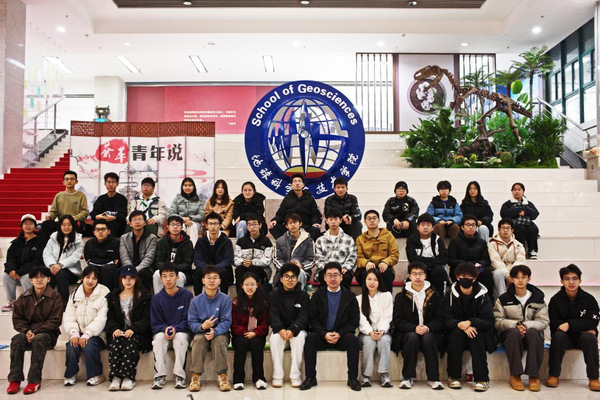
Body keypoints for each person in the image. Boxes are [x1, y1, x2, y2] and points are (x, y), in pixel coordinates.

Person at [300, 262, 361, 392]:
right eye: (329, 275)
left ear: (341, 277)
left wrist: (340, 333)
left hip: (341, 336)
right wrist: (324, 334)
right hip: (322, 335)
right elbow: (313, 319)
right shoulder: (317, 295)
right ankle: (310, 377)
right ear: (324, 277)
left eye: (336, 275)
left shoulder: (350, 296)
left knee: (353, 341)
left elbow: (354, 320)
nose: (333, 278)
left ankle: (352, 378)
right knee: (310, 339)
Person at [6, 266, 63, 395]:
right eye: (35, 277)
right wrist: (27, 331)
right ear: (31, 280)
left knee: (39, 339)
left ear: (48, 279)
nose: (39, 280)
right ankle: (14, 380)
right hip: (28, 333)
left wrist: (35, 332)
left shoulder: (56, 297)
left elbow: (55, 320)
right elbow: (17, 319)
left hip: (48, 335)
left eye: (42, 277)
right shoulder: (24, 297)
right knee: (17, 339)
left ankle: (34, 381)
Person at [494, 264, 549, 392]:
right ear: (511, 279)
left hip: (531, 332)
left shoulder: (538, 298)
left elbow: (543, 321)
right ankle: (515, 375)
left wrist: (525, 326)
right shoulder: (503, 299)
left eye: (523, 277)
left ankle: (534, 376)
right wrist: (516, 325)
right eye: (516, 277)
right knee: (514, 333)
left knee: (533, 333)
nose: (520, 280)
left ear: (529, 279)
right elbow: (497, 320)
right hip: (510, 333)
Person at [546, 264, 600, 391]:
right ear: (561, 281)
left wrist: (569, 324)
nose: (571, 282)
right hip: (564, 337)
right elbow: (554, 324)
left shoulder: (589, 299)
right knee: (558, 336)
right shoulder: (555, 300)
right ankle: (553, 375)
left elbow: (592, 322)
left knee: (589, 337)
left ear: (580, 280)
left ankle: (594, 378)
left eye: (575, 278)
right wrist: (580, 325)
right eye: (567, 279)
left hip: (582, 337)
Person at [443, 262, 495, 392]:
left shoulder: (484, 296)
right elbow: (444, 319)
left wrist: (470, 322)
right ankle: (453, 377)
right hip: (456, 329)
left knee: (476, 336)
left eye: (469, 276)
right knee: (456, 335)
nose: (465, 278)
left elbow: (489, 320)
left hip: (479, 331)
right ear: (457, 277)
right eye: (462, 276)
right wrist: (459, 324)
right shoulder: (449, 295)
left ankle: (482, 379)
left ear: (475, 278)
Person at [392, 261, 444, 390]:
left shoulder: (434, 295)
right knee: (412, 337)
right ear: (409, 276)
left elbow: (439, 319)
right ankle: (407, 377)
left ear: (425, 276)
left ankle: (433, 378)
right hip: (408, 332)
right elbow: (398, 320)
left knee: (429, 338)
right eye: (414, 274)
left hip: (429, 331)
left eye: (420, 274)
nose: (417, 277)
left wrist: (427, 328)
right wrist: (413, 328)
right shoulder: (401, 296)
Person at [105, 265, 152, 391]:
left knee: (130, 341)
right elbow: (110, 318)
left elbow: (146, 319)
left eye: (131, 278)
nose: (128, 281)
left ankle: (128, 377)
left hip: (138, 333)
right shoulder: (113, 297)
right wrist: (114, 329)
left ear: (136, 279)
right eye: (125, 278)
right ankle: (115, 377)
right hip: (120, 331)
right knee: (116, 341)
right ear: (121, 279)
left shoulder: (144, 296)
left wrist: (133, 329)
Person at [63, 265, 110, 387]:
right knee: (72, 345)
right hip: (78, 332)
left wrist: (88, 334)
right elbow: (69, 316)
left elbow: (101, 319)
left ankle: (96, 374)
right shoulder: (74, 294)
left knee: (89, 345)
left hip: (97, 334)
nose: (90, 281)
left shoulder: (104, 295)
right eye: (87, 277)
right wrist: (74, 333)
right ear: (82, 278)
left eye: (94, 278)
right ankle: (70, 374)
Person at [188, 266, 232, 392]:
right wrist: (203, 327)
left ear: (220, 281)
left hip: (220, 332)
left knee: (219, 341)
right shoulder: (195, 301)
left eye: (215, 278)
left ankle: (222, 375)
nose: (211, 281)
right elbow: (191, 323)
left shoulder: (225, 299)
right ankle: (195, 376)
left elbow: (226, 321)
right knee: (198, 341)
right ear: (203, 280)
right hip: (201, 331)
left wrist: (215, 331)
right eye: (208, 278)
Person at [150, 263, 193, 390]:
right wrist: (165, 329)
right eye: (164, 276)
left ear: (177, 277)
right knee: (158, 340)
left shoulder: (187, 296)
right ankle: (159, 376)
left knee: (180, 339)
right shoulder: (156, 298)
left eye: (171, 275)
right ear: (161, 279)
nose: (168, 279)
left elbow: (189, 319)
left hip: (182, 330)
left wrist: (176, 328)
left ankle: (180, 376)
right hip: (163, 330)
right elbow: (155, 323)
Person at [268, 263, 309, 388]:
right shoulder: (273, 295)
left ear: (297, 279)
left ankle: (295, 376)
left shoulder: (303, 296)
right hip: (280, 330)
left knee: (299, 338)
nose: (290, 280)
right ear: (281, 279)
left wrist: (293, 330)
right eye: (287, 276)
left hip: (298, 330)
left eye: (293, 277)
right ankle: (277, 376)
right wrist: (280, 329)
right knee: (275, 339)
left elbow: (304, 317)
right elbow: (273, 316)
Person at [231, 273, 269, 390]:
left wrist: (255, 332)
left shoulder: (264, 302)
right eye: (246, 284)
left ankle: (259, 379)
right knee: (241, 344)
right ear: (242, 286)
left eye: (252, 284)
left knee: (256, 344)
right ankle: (238, 379)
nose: (250, 287)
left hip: (257, 334)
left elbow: (265, 323)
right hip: (240, 335)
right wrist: (244, 333)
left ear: (257, 285)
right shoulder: (236, 303)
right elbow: (233, 324)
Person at [356, 269, 393, 388]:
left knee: (384, 340)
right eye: (369, 279)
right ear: (365, 281)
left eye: (375, 279)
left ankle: (384, 374)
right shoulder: (359, 299)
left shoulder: (386, 296)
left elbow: (387, 316)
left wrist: (381, 331)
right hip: (366, 333)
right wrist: (370, 332)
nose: (372, 282)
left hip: (383, 332)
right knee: (369, 342)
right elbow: (361, 320)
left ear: (379, 281)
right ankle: (365, 375)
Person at [2, 214, 47, 312]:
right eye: (25, 224)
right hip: (17, 273)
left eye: (31, 224)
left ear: (35, 226)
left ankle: (31, 302)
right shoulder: (16, 242)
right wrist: (11, 270)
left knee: (27, 277)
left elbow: (37, 261)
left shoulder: (41, 241)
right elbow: (10, 259)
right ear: (22, 226)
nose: (28, 226)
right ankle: (11, 301)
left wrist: (20, 272)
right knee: (5, 276)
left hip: (32, 272)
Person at [448, 215, 493, 299]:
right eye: (468, 225)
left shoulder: (482, 242)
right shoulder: (454, 241)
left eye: (473, 225)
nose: (471, 227)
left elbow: (486, 260)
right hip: (460, 267)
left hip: (476, 267)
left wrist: (479, 264)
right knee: (459, 273)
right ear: (462, 227)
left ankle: (488, 299)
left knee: (486, 272)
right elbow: (451, 260)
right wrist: (467, 265)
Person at [43, 214, 83, 305]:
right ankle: (45, 303)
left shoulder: (78, 240)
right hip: (53, 268)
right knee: (45, 274)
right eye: (63, 225)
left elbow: (75, 257)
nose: (66, 227)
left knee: (60, 274)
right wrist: (52, 265)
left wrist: (60, 265)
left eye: (69, 225)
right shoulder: (53, 238)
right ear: (60, 226)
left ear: (73, 226)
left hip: (71, 271)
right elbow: (47, 253)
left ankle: (63, 303)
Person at [406, 213, 450, 295]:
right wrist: (432, 261)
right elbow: (412, 259)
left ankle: (440, 298)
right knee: (416, 273)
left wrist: (425, 262)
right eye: (422, 225)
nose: (425, 227)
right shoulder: (411, 240)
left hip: (435, 270)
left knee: (440, 271)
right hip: (418, 270)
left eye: (428, 225)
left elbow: (443, 258)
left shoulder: (438, 239)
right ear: (418, 227)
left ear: (433, 227)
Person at [355, 210, 399, 293]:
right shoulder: (360, 239)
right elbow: (358, 258)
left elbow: (394, 255)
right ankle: (367, 300)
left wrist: (386, 262)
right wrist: (366, 263)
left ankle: (387, 299)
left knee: (386, 274)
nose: (372, 220)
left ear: (378, 220)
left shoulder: (388, 236)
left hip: (384, 266)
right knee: (365, 275)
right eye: (369, 218)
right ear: (365, 222)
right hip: (366, 267)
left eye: (374, 218)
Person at [269, 173, 322, 241]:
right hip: (290, 226)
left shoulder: (309, 198)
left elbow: (315, 214)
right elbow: (280, 214)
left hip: (305, 227)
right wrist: (275, 220)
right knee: (273, 227)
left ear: (303, 184)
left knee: (316, 230)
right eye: (295, 181)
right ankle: (286, 242)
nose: (297, 183)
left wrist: (316, 223)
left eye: (299, 181)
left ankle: (304, 243)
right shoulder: (287, 198)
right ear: (291, 185)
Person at [193, 212, 234, 295]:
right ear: (206, 225)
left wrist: (216, 268)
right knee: (197, 273)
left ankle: (224, 299)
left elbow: (228, 259)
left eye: (215, 224)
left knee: (225, 272)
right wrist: (207, 269)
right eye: (210, 224)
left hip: (221, 269)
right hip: (205, 269)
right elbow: (197, 259)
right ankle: (198, 299)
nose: (213, 227)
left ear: (220, 225)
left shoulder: (226, 241)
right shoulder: (201, 241)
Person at [315, 207, 357, 288]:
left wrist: (345, 267)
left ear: (340, 220)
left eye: (336, 219)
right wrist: (328, 270)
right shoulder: (320, 240)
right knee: (323, 276)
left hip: (343, 270)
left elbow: (352, 257)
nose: (333, 222)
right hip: (325, 270)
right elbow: (318, 259)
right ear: (326, 221)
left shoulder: (348, 239)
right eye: (330, 219)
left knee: (346, 277)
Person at [152, 214, 193, 293]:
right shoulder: (162, 242)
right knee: (157, 274)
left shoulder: (188, 243)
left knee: (178, 276)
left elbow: (187, 263)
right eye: (173, 225)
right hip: (165, 269)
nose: (175, 227)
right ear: (168, 227)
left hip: (181, 271)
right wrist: (167, 269)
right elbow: (158, 261)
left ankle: (177, 299)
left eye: (178, 225)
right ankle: (158, 298)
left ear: (182, 227)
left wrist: (174, 269)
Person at [273, 213, 314, 289]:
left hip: (302, 270)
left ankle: (299, 294)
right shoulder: (279, 241)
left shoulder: (308, 241)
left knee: (300, 273)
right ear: (286, 226)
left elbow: (311, 260)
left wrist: (301, 266)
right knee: (285, 276)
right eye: (290, 223)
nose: (293, 225)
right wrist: (287, 268)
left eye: (295, 222)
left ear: (300, 223)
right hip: (283, 270)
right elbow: (276, 260)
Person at [119, 210, 158, 291]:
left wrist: (135, 270)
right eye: (134, 220)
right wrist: (130, 269)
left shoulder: (152, 238)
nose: (137, 222)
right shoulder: (124, 238)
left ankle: (144, 297)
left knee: (144, 274)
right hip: (129, 266)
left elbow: (149, 257)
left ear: (145, 222)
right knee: (118, 272)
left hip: (145, 268)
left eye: (140, 219)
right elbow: (124, 256)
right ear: (130, 223)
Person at [500, 183, 540, 259]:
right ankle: (520, 251)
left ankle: (532, 250)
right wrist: (517, 211)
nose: (517, 191)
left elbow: (535, 214)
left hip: (528, 224)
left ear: (523, 191)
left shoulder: (528, 203)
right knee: (521, 229)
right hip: (515, 225)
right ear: (512, 191)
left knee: (533, 229)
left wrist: (525, 212)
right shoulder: (507, 204)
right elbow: (503, 214)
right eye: (515, 190)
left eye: (519, 190)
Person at [488, 219, 526, 298]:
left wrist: (512, 274)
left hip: (513, 270)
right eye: (503, 228)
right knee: (498, 274)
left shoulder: (518, 244)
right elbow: (495, 261)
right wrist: (507, 276)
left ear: (512, 230)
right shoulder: (492, 244)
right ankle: (503, 298)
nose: (505, 230)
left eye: (508, 228)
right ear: (499, 230)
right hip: (499, 269)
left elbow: (520, 260)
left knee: (521, 273)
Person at [233, 213, 273, 290]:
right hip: (244, 268)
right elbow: (236, 259)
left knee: (252, 269)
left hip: (261, 270)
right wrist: (243, 262)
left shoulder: (266, 241)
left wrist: (252, 262)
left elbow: (267, 260)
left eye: (254, 224)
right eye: (249, 224)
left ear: (260, 225)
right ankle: (240, 295)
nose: (252, 227)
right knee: (239, 270)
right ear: (246, 226)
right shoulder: (241, 241)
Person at [43, 170, 88, 234]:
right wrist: (50, 216)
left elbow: (84, 212)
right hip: (61, 223)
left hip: (74, 222)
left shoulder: (81, 195)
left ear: (76, 181)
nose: (69, 181)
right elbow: (53, 211)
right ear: (63, 182)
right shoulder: (59, 195)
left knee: (77, 225)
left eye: (71, 179)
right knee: (46, 224)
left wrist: (75, 218)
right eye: (67, 179)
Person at [87, 172, 128, 238]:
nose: (111, 184)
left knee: (113, 223)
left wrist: (113, 217)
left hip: (117, 226)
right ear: (105, 184)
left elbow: (123, 215)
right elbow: (94, 214)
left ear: (117, 184)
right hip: (102, 224)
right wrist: (101, 217)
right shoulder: (101, 199)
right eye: (108, 182)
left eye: (113, 182)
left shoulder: (122, 199)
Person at [83, 219, 121, 291]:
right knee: (91, 270)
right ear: (94, 232)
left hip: (109, 269)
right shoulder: (89, 243)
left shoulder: (116, 243)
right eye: (98, 230)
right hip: (94, 266)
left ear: (108, 231)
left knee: (107, 270)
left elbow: (116, 260)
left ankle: (107, 294)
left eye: (103, 229)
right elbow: (88, 259)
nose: (100, 232)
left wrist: (98, 261)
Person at [169, 177, 204, 244]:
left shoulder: (199, 201)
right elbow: (171, 213)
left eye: (190, 185)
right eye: (185, 185)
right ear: (182, 187)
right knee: (181, 226)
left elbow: (201, 215)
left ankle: (193, 248)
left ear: (193, 187)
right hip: (179, 222)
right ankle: (181, 248)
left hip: (194, 223)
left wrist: (190, 218)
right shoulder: (177, 199)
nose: (187, 187)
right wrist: (182, 219)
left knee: (192, 226)